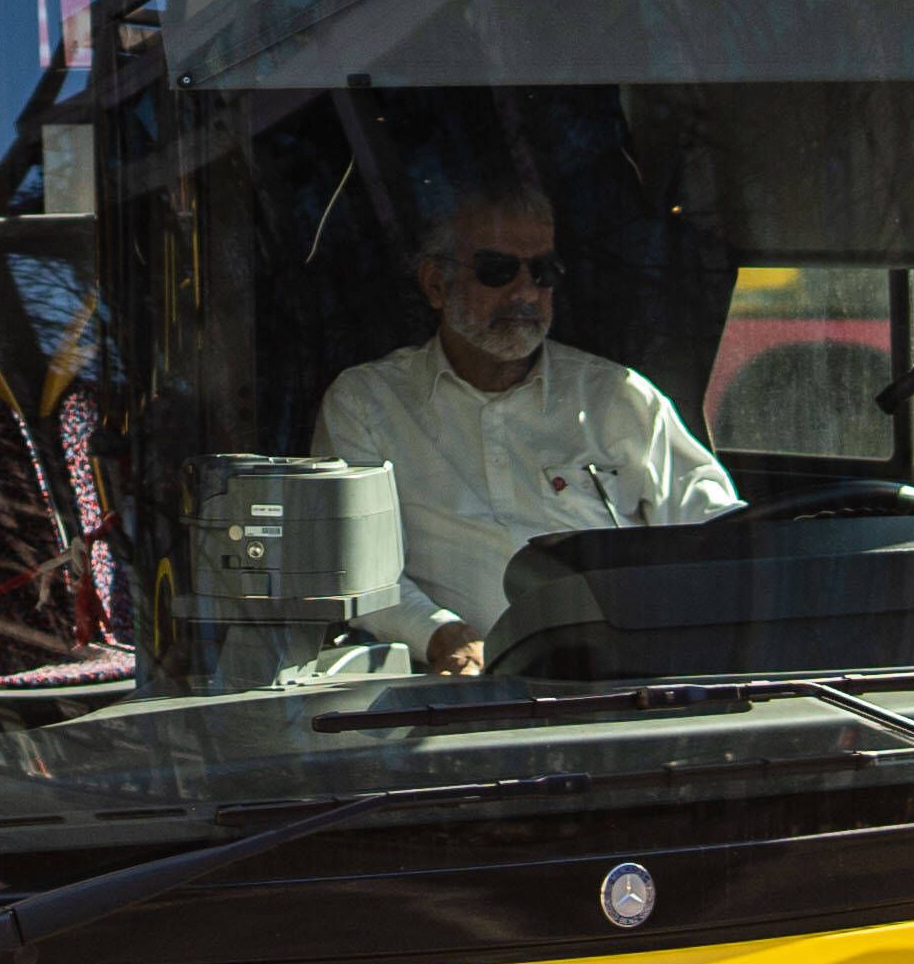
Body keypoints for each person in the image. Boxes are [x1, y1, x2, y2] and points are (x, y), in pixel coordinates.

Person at [314, 178, 737, 673]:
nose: (526, 292)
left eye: (543, 271)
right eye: (497, 271)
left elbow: (718, 536)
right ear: (435, 284)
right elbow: (349, 562)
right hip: (455, 697)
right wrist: (434, 633)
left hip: (620, 685)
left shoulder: (616, 397)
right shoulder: (368, 402)